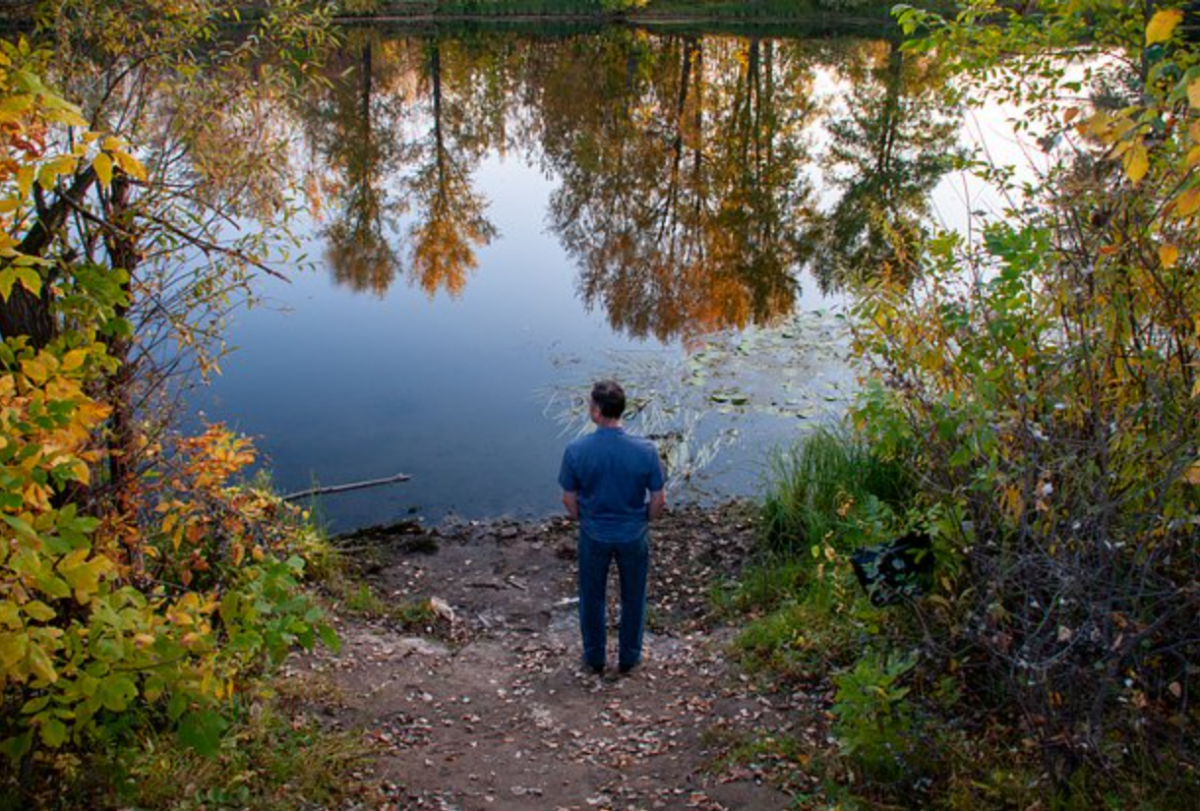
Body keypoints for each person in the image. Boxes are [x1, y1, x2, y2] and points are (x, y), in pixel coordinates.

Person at [558, 380, 666, 676]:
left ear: (597, 412)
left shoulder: (576, 450)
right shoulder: (645, 450)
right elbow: (658, 499)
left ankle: (595, 657)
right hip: (633, 534)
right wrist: (645, 518)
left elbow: (568, 499)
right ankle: (629, 657)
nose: (588, 409)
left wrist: (585, 518)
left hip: (594, 534)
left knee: (592, 596)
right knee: (634, 596)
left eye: (590, 405)